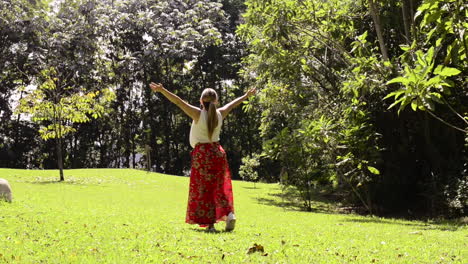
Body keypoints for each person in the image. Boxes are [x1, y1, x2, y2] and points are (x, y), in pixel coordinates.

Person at [149, 82, 256, 232]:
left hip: (202, 155)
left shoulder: (197, 114)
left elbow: (178, 101)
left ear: (201, 101)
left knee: (205, 189)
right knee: (219, 187)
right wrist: (246, 95)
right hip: (218, 152)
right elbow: (232, 105)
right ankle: (229, 214)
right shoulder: (220, 113)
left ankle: (210, 224)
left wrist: (162, 90)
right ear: (216, 101)